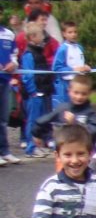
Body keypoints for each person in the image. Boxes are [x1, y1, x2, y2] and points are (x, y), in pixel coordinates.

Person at [33, 75, 96, 150]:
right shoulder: (62, 109)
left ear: (89, 93)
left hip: (83, 152)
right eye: (76, 93)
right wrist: (36, 134)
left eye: (83, 94)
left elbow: (95, 133)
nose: (79, 97)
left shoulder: (90, 113)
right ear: (69, 91)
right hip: (65, 151)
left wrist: (75, 124)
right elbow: (42, 121)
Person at [21, 24, 54, 158]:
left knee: (41, 120)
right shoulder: (29, 54)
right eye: (40, 34)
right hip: (34, 94)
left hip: (43, 91)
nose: (43, 37)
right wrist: (33, 91)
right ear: (33, 37)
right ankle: (31, 147)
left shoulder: (39, 52)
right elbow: (27, 76)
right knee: (32, 121)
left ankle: (38, 145)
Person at [51, 21, 91, 108]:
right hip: (67, 84)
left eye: (75, 32)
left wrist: (85, 67)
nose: (73, 34)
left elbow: (80, 63)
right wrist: (73, 70)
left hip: (80, 82)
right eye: (70, 32)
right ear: (64, 34)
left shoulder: (79, 48)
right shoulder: (62, 49)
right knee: (68, 108)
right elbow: (57, 68)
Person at [0, 5, 20, 167]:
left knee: (3, 118)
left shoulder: (8, 34)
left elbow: (15, 54)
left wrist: (14, 63)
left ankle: (5, 151)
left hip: (5, 80)